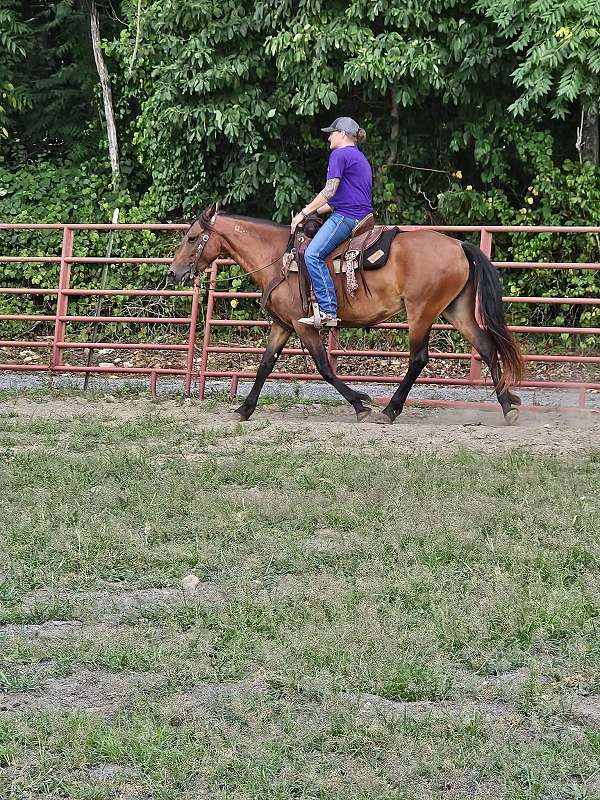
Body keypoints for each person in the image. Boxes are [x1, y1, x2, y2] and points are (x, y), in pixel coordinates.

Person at [291, 116, 373, 328]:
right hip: (360, 215)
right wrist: (314, 212)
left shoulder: (339, 154)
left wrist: (302, 213)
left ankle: (328, 311)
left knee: (312, 254)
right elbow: (337, 200)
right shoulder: (359, 157)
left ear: (343, 134)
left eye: (332, 133)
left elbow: (329, 191)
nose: (329, 137)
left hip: (347, 216)